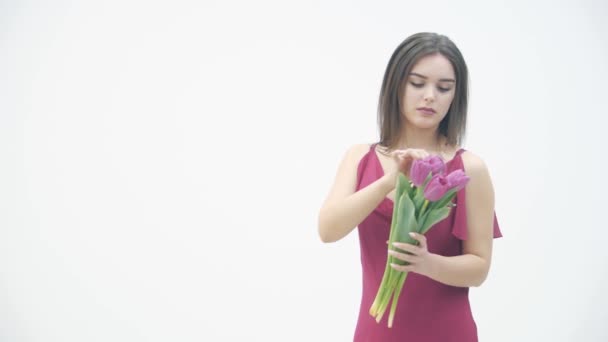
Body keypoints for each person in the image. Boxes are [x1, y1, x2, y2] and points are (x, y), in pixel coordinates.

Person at [317, 32, 503, 342]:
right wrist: (392, 180)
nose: (430, 96)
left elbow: (479, 267)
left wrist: (427, 263)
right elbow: (328, 229)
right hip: (376, 331)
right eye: (417, 83)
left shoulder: (469, 169)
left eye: (444, 88)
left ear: (455, 96)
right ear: (396, 85)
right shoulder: (360, 157)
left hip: (448, 332)